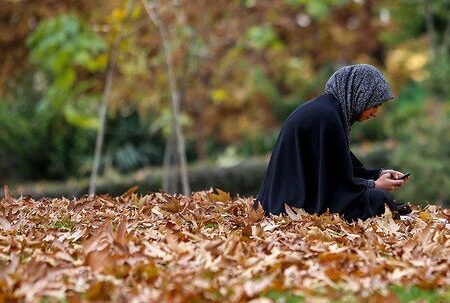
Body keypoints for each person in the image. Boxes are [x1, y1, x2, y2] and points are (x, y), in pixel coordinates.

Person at [253, 64, 411, 222]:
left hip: (288, 199)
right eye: (375, 105)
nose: (375, 113)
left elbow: (340, 167)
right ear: (361, 96)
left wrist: (379, 175)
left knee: (375, 199)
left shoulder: (328, 110)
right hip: (293, 206)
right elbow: (335, 182)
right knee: (378, 199)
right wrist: (374, 185)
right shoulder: (327, 117)